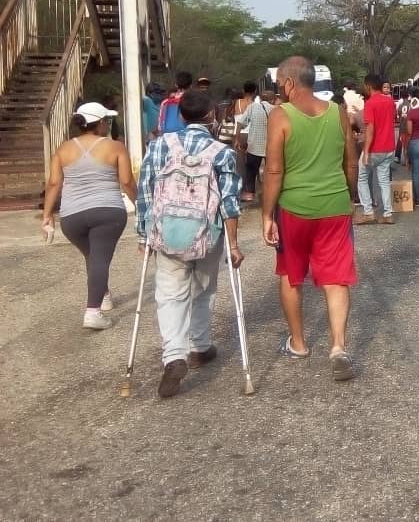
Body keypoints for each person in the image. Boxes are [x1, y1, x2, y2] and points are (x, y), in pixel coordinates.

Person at [136, 90, 243, 398]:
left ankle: (173, 356)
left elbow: (145, 191)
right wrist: (234, 245)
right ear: (213, 117)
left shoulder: (159, 147)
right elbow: (229, 204)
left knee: (170, 294)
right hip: (207, 235)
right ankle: (199, 346)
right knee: (204, 288)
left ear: (180, 116)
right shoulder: (221, 153)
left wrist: (144, 234)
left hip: (168, 235)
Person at [261, 57, 358, 382]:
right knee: (335, 278)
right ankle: (338, 347)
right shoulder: (338, 113)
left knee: (292, 275)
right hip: (334, 206)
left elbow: (274, 169)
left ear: (288, 82)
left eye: (279, 84)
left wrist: (266, 214)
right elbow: (351, 163)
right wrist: (351, 197)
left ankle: (299, 344)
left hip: (294, 208)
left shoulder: (281, 115)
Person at [41, 102, 136, 330]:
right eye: (108, 121)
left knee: (94, 257)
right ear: (101, 123)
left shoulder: (63, 149)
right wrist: (141, 204)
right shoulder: (115, 147)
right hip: (107, 212)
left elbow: (54, 183)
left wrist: (47, 215)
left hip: (72, 217)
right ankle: (92, 312)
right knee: (99, 258)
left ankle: (102, 294)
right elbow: (126, 181)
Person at [357, 73, 396, 225]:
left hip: (375, 148)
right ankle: (388, 213)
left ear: (368, 86)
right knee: (384, 181)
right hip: (389, 147)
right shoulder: (390, 101)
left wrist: (366, 152)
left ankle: (368, 212)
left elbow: (370, 128)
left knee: (362, 178)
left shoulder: (370, 103)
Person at [237, 89, 274, 203]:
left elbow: (241, 122)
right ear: (272, 99)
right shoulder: (276, 110)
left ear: (261, 98)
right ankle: (271, 194)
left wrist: (238, 139)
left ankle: (250, 194)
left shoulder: (252, 107)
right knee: (272, 172)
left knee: (251, 172)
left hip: (254, 147)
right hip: (271, 148)